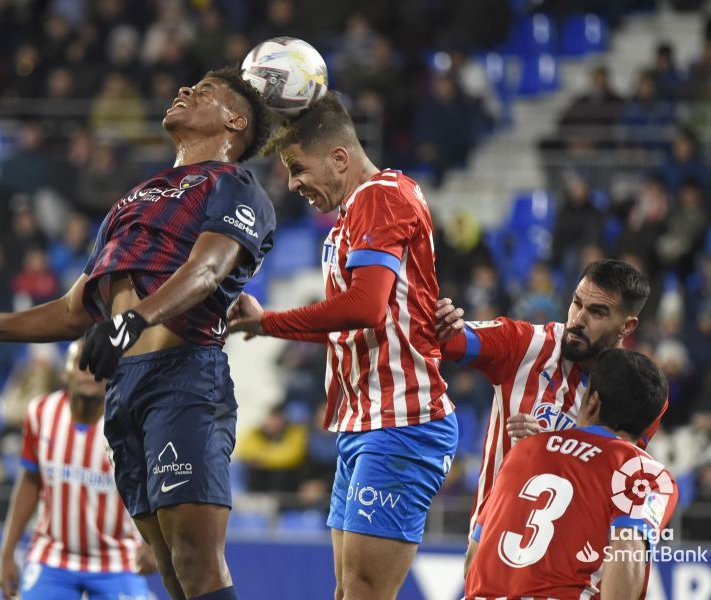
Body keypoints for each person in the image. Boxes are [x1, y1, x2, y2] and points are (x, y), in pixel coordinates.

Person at [0, 66, 274, 600]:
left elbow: (208, 270)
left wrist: (132, 321)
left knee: (196, 560)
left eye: (203, 92)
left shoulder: (234, 186)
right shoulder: (132, 200)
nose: (183, 90)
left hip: (184, 379)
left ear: (235, 120)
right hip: (126, 389)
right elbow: (75, 309)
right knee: (171, 568)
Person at [228, 93, 457, 600]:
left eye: (297, 168)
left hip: (403, 422)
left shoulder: (381, 196)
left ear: (339, 158)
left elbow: (367, 308)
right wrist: (266, 324)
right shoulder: (348, 221)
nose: (293, 184)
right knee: (349, 591)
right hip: (363, 424)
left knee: (362, 593)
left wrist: (273, 321)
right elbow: (347, 324)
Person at [434, 259, 666, 535]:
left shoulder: (640, 392)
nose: (578, 320)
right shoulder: (526, 345)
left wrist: (545, 449)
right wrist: (441, 328)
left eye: (597, 312)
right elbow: (450, 339)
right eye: (577, 303)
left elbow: (616, 487)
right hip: (490, 546)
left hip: (571, 560)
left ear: (627, 326)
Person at [464, 348, 677, 598]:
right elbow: (626, 552)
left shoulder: (525, 449)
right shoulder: (643, 472)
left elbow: (473, 559)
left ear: (593, 401)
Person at [0, 339, 155, 600]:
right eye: (81, 364)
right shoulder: (41, 413)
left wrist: (155, 545)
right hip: (52, 557)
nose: (88, 371)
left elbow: (152, 484)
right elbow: (30, 481)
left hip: (117, 559)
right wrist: (6, 553)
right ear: (65, 372)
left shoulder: (130, 419)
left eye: (96, 364)